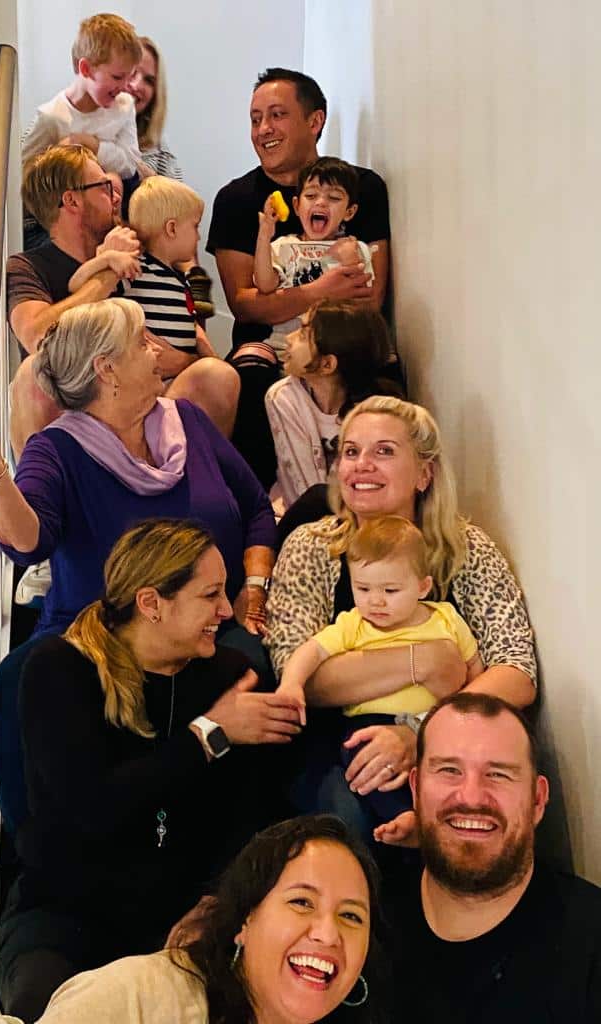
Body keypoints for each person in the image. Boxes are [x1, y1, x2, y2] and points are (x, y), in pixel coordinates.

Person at [0, 298, 276, 829]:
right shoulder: (57, 449)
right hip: (99, 639)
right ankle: (36, 849)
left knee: (253, 675)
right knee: (16, 680)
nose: (157, 350)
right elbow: (27, 543)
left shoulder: (188, 422)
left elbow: (257, 507)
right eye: (142, 342)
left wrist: (252, 585)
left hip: (206, 626)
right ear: (107, 369)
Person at [0, 520, 302, 1022]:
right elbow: (90, 810)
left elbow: (250, 817)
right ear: (152, 603)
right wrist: (208, 736)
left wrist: (216, 903)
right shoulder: (59, 669)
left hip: (185, 916)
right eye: (210, 595)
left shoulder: (229, 677)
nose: (227, 610)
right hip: (64, 917)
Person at [265, 395, 537, 830]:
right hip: (342, 742)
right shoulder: (312, 546)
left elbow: (516, 671)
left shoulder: (466, 549)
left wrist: (422, 731)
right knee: (350, 814)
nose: (361, 465)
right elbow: (301, 675)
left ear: (424, 473)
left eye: (384, 451)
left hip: (454, 740)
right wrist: (425, 661)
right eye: (350, 451)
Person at [207, 68, 390, 488]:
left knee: (383, 380)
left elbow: (369, 298)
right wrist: (319, 291)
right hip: (267, 346)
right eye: (255, 119)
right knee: (251, 372)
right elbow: (246, 304)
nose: (263, 130)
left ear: (314, 121)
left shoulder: (362, 188)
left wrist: (288, 301)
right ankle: (255, 506)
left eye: (277, 115)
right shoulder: (237, 201)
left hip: (345, 339)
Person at [35, 815, 389, 1024]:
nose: (328, 933)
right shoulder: (136, 997)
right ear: (245, 920)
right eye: (302, 902)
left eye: (351, 916)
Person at [382, 693, 601, 1023]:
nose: (471, 797)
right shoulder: (366, 920)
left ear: (537, 800)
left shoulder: (590, 944)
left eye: (498, 774)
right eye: (449, 770)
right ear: (416, 789)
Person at [7, 144, 238, 456]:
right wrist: (109, 270)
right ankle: (49, 485)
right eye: (104, 187)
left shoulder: (143, 251)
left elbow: (184, 323)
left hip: (147, 398)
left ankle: (180, 482)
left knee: (218, 376)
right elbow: (37, 336)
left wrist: (185, 360)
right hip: (80, 411)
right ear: (72, 200)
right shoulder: (27, 267)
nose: (117, 196)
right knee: (32, 373)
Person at [276, 516, 482, 842]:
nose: (375, 600)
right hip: (369, 721)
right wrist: (291, 684)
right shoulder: (354, 624)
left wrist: (462, 712)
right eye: (363, 588)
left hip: (435, 720)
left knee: (452, 768)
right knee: (366, 757)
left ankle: (434, 816)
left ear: (422, 586)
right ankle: (403, 814)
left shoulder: (445, 618)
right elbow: (310, 652)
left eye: (390, 590)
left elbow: (474, 667)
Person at [68, 176, 217, 387]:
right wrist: (106, 259)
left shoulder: (179, 280)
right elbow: (76, 285)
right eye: (195, 226)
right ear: (172, 229)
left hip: (177, 380)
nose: (198, 237)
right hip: (145, 382)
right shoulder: (137, 268)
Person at [265, 300, 400, 512]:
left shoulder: (375, 413)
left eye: (302, 335)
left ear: (327, 364)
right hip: (304, 513)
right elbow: (306, 493)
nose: (289, 339)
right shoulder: (284, 397)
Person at [254, 157, 375, 359]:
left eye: (334, 198)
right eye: (311, 195)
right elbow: (265, 285)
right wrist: (264, 235)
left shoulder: (355, 248)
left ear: (349, 212)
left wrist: (350, 260)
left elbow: (363, 307)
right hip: (285, 346)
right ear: (296, 205)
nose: (320, 202)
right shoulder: (283, 246)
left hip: (334, 349)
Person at [21, 14, 151, 187]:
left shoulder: (124, 105)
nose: (125, 86)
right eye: (117, 77)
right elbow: (24, 174)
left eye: (130, 76)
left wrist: (90, 144)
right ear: (86, 69)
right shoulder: (51, 118)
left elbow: (130, 165)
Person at [126, 36, 183, 180]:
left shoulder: (159, 149)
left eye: (149, 81)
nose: (137, 86)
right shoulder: (81, 128)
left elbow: (180, 194)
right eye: (131, 72)